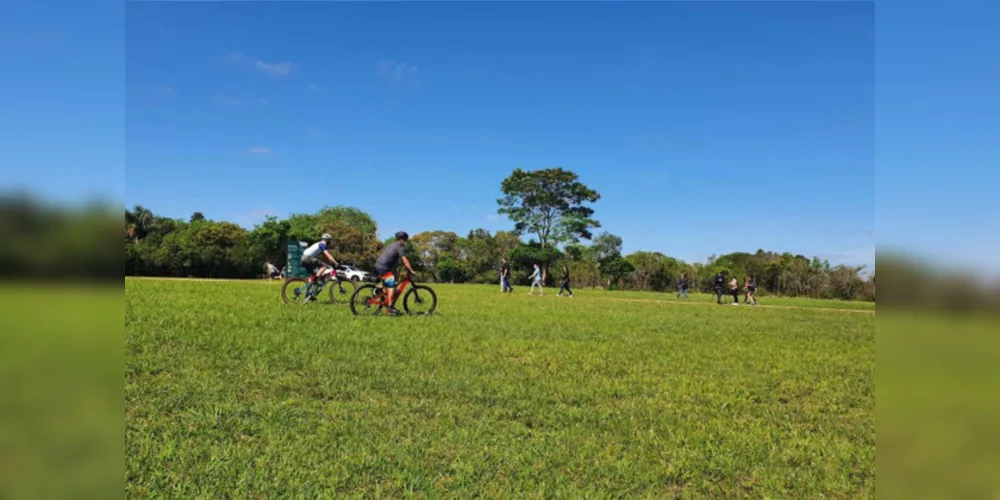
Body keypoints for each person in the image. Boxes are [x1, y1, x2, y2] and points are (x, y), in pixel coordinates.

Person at [374, 231, 417, 315]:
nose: (405, 242)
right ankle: (390, 307)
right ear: (401, 240)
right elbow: (405, 260)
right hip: (384, 268)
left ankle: (383, 298)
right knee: (391, 286)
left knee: (391, 285)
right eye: (405, 240)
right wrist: (411, 270)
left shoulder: (392, 244)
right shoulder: (399, 247)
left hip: (378, 265)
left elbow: (390, 257)